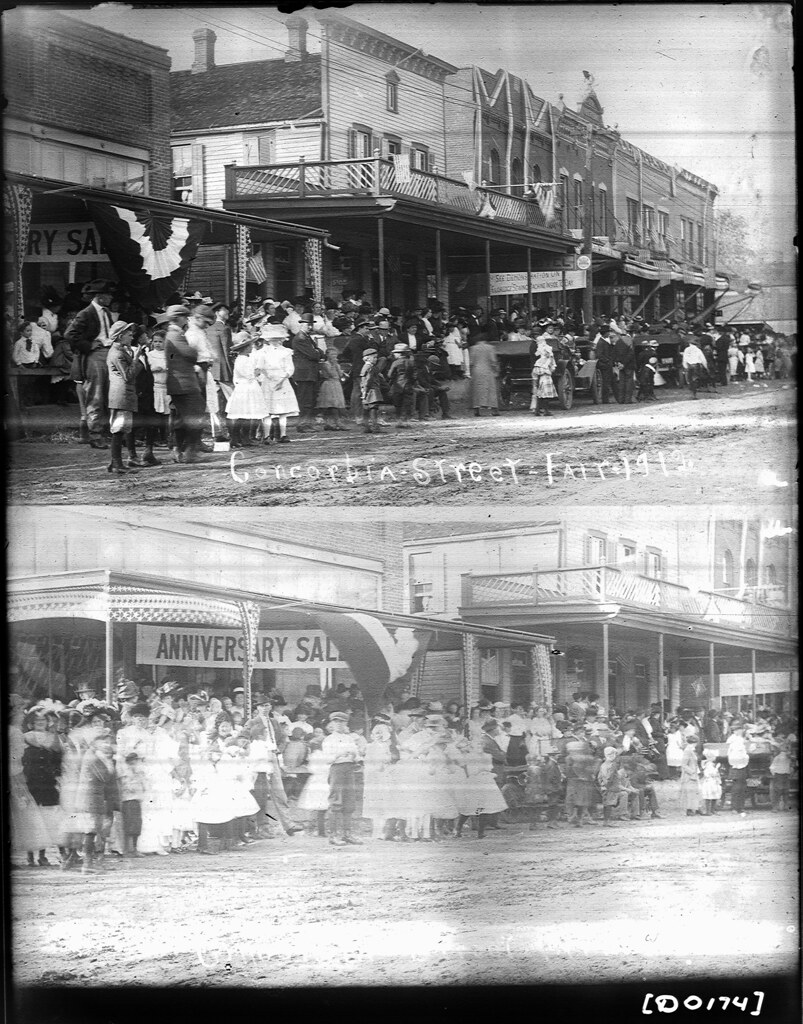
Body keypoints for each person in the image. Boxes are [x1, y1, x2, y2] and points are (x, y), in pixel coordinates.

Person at [63, 280, 117, 449]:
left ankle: (109, 432)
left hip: (108, 353)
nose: (110, 298)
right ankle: (95, 434)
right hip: (95, 356)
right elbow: (69, 334)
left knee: (109, 393)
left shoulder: (106, 312)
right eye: (107, 295)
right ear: (99, 296)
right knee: (96, 394)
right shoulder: (86, 313)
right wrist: (88, 345)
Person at [159, 304, 207, 463]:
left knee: (181, 418)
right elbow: (191, 354)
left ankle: (178, 450)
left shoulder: (174, 334)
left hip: (179, 383)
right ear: (177, 318)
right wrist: (195, 349)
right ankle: (188, 451)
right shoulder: (175, 334)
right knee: (196, 415)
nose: (187, 320)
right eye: (185, 317)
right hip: (184, 383)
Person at [106, 321, 145, 475]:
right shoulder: (117, 353)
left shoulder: (120, 351)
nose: (131, 336)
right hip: (121, 396)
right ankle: (116, 464)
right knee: (118, 430)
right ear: (120, 336)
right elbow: (128, 376)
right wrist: (136, 359)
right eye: (129, 334)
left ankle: (115, 463)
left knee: (121, 429)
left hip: (123, 396)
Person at [321, 711, 364, 847]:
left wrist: (357, 758)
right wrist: (340, 753)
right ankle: (333, 835)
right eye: (336, 722)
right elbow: (327, 760)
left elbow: (357, 755)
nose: (339, 724)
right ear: (332, 723)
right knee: (336, 801)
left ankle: (347, 834)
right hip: (337, 770)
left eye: (342, 722)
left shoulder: (349, 738)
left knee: (349, 802)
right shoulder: (329, 740)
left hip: (349, 769)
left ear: (346, 723)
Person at [225, 335, 268, 448]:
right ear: (244, 348)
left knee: (248, 414)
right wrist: (258, 371)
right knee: (243, 414)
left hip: (249, 387)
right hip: (245, 388)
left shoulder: (247, 359)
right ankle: (236, 438)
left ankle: (244, 438)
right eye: (249, 346)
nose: (251, 347)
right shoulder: (241, 360)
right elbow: (249, 374)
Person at [290, 313, 322, 432]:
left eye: (311, 325)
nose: (310, 327)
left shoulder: (307, 337)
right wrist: (318, 353)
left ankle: (308, 423)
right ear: (302, 324)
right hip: (304, 374)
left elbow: (317, 352)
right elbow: (314, 354)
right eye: (307, 325)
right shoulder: (300, 338)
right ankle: (303, 424)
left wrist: (318, 352)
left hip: (310, 373)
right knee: (305, 400)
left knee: (311, 399)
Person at [317, 346, 348, 430]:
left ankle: (333, 423)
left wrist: (338, 368)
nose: (334, 356)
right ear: (328, 355)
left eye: (335, 354)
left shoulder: (337, 364)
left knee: (337, 404)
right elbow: (330, 374)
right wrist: (334, 365)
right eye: (332, 354)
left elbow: (340, 375)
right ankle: (333, 423)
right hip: (329, 384)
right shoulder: (325, 364)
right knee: (331, 404)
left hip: (336, 383)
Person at [470, 332, 500, 416]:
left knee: (477, 389)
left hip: (476, 370)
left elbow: (471, 362)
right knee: (491, 390)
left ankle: (476, 409)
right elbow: (493, 360)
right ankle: (494, 410)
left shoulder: (473, 348)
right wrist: (496, 370)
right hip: (487, 370)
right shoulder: (490, 348)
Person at [360, 347, 385, 434]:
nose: (376, 359)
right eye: (374, 357)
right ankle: (375, 427)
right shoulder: (369, 367)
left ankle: (367, 427)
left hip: (368, 390)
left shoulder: (369, 367)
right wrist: (365, 391)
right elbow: (367, 380)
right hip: (371, 391)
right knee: (373, 409)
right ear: (367, 358)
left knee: (367, 409)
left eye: (376, 357)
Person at [530, 336, 557, 416]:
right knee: (545, 394)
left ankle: (537, 410)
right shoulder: (544, 358)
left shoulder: (541, 358)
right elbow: (551, 365)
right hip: (545, 376)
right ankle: (545, 410)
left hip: (541, 375)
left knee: (540, 394)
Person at [726, 725, 750, 814]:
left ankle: (741, 807)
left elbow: (745, 754)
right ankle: (734, 807)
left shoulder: (741, 741)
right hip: (736, 767)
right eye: (737, 730)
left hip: (742, 766)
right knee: (736, 788)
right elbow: (732, 756)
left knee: (742, 788)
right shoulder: (732, 741)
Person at [679, 735, 701, 816]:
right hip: (688, 775)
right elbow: (684, 764)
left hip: (694, 774)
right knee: (689, 793)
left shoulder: (691, 750)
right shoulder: (687, 750)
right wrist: (692, 772)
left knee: (694, 792)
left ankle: (695, 808)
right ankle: (689, 810)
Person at [768, 740, 792, 811]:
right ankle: (779, 806)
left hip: (781, 775)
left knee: (781, 791)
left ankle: (779, 807)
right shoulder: (781, 757)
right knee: (783, 791)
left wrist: (774, 774)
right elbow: (772, 768)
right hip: (781, 775)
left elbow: (772, 768)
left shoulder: (785, 758)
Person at [698, 750, 722, 816]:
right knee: (709, 796)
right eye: (714, 757)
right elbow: (709, 773)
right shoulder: (708, 764)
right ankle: (708, 811)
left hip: (714, 781)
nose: (715, 758)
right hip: (709, 781)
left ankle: (712, 810)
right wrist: (717, 768)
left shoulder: (712, 764)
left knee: (714, 796)